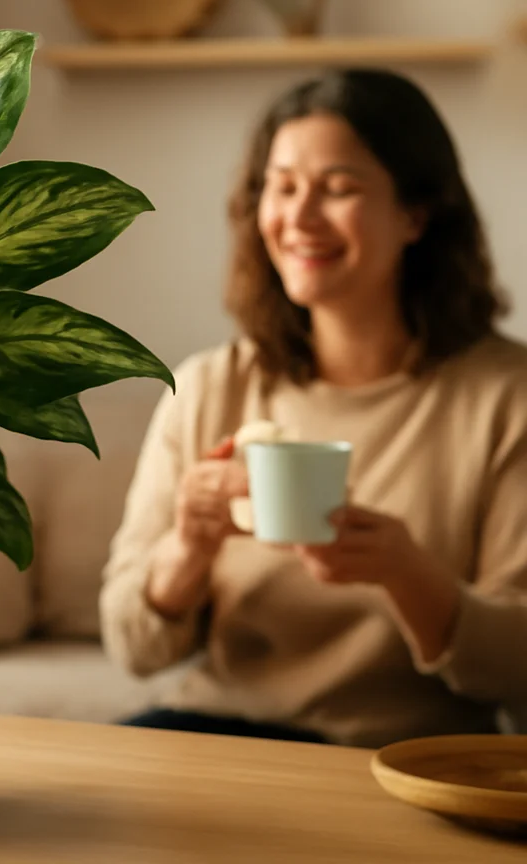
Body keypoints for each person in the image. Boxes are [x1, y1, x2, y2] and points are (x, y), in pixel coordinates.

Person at [99, 68, 527, 749]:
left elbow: (516, 668)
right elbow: (131, 647)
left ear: (415, 215)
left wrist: (407, 573)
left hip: (401, 752)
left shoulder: (508, 399)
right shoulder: (208, 387)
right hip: (215, 732)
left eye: (338, 188)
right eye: (283, 186)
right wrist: (187, 549)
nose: (298, 218)